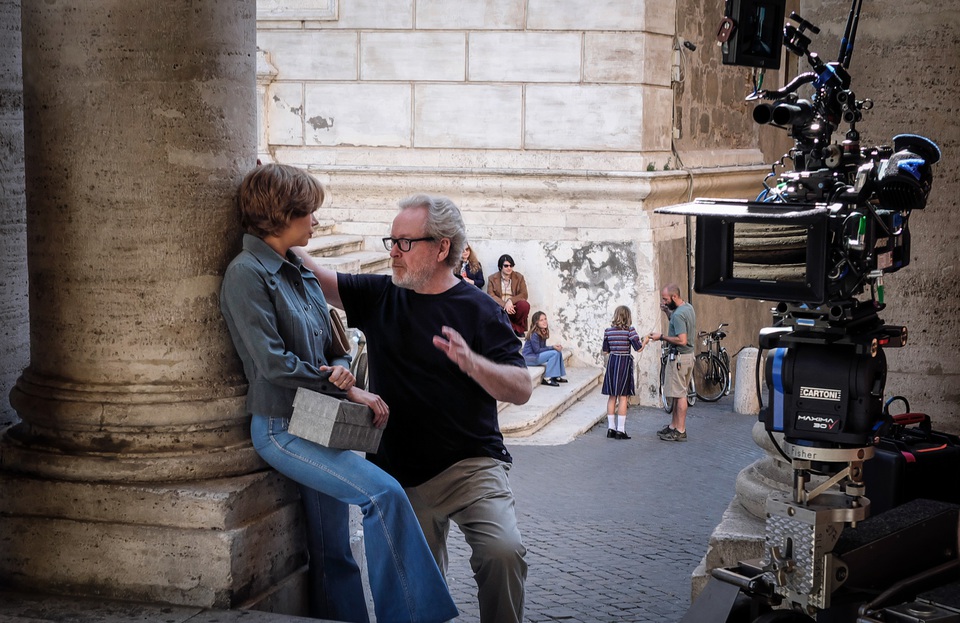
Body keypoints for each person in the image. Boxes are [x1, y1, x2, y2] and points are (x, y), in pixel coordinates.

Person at [219, 164, 457, 623]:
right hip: (282, 428)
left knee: (334, 550)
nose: (316, 220)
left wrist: (345, 377)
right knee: (384, 495)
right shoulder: (246, 274)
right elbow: (271, 363)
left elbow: (337, 347)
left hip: (319, 419)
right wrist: (341, 385)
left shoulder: (300, 272)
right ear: (282, 213)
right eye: (308, 211)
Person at [296, 194, 533, 623]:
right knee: (417, 594)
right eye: (392, 241)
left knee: (504, 552)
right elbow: (316, 275)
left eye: (405, 242)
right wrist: (280, 216)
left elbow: (521, 389)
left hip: (471, 467)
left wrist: (473, 363)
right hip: (400, 477)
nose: (393, 252)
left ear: (442, 248)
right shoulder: (380, 295)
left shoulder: (480, 310)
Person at [649, 284, 697, 442]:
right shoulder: (687, 308)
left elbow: (682, 340)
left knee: (680, 394)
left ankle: (680, 429)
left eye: (665, 299)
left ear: (674, 297)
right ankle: (673, 426)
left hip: (679, 358)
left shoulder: (679, 314)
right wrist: (666, 312)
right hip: (687, 357)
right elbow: (676, 323)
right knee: (677, 394)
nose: (663, 301)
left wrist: (661, 337)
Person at [601, 305, 647, 439]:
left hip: (612, 363)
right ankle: (620, 430)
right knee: (623, 397)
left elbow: (605, 351)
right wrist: (645, 341)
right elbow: (638, 348)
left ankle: (611, 428)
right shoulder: (630, 331)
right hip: (624, 363)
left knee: (612, 396)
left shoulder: (608, 331)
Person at [487, 253, 531, 337]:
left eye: (511, 266)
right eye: (506, 266)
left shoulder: (519, 277)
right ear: (500, 267)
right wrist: (505, 305)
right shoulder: (492, 278)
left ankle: (515, 328)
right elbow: (490, 295)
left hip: (514, 307)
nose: (509, 268)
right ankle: (515, 329)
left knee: (524, 305)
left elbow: (524, 294)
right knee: (495, 310)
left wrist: (510, 301)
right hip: (501, 308)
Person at [522, 311, 567, 387]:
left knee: (558, 352)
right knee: (554, 353)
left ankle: (556, 375)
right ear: (536, 323)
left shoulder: (542, 331)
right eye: (541, 320)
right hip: (529, 358)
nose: (544, 321)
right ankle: (547, 378)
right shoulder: (534, 334)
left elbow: (542, 348)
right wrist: (552, 347)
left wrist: (554, 347)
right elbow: (537, 350)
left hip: (536, 356)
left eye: (545, 319)